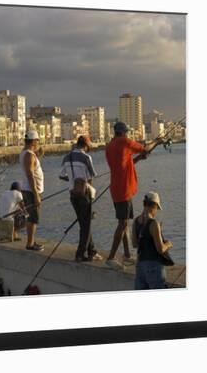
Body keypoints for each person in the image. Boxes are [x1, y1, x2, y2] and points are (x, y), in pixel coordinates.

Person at [105, 122, 163, 270]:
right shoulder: (124, 142)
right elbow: (146, 148)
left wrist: (138, 159)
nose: (127, 135)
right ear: (123, 133)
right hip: (123, 190)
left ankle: (127, 255)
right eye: (127, 132)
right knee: (123, 224)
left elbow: (124, 164)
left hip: (116, 189)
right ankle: (111, 257)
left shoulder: (110, 146)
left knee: (124, 222)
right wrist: (157, 141)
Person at [59, 136, 102, 262]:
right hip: (84, 195)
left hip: (72, 194)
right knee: (86, 225)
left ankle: (92, 251)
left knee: (83, 223)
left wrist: (72, 180)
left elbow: (61, 175)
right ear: (86, 145)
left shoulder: (67, 157)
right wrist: (92, 195)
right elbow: (91, 176)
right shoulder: (86, 157)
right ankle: (80, 253)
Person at [132, 192, 173, 289]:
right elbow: (160, 249)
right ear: (154, 205)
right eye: (157, 209)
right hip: (154, 266)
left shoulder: (136, 221)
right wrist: (168, 244)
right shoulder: (154, 223)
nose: (156, 212)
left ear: (144, 204)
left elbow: (134, 244)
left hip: (140, 266)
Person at [19, 130, 45, 251]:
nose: (38, 142)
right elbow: (30, 175)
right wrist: (36, 194)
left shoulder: (27, 153)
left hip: (29, 190)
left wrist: (38, 156)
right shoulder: (29, 155)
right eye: (37, 140)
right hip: (31, 191)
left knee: (33, 217)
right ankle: (30, 243)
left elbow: (32, 166)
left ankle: (32, 241)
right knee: (33, 218)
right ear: (34, 141)